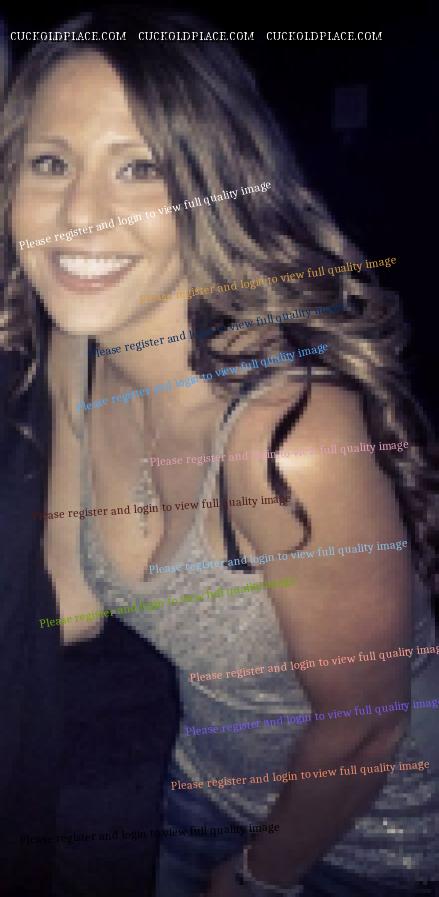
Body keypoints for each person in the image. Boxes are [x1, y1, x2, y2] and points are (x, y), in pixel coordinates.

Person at [2, 8, 438, 897]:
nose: (80, 214)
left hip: (373, 839)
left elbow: (365, 725)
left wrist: (254, 876)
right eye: (51, 163)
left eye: (140, 167)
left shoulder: (289, 432)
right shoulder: (79, 352)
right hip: (202, 790)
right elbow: (73, 608)